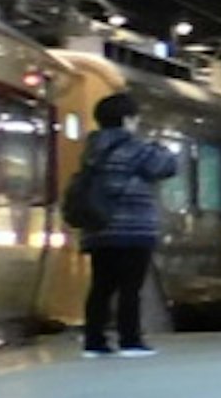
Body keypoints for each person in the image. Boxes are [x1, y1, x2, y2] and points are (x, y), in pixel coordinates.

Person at [75, 93, 184, 356]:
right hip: (133, 229)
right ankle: (130, 340)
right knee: (130, 288)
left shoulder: (92, 148)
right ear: (127, 120)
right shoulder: (136, 148)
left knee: (101, 286)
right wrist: (160, 145)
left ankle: (94, 342)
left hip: (98, 228)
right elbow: (167, 166)